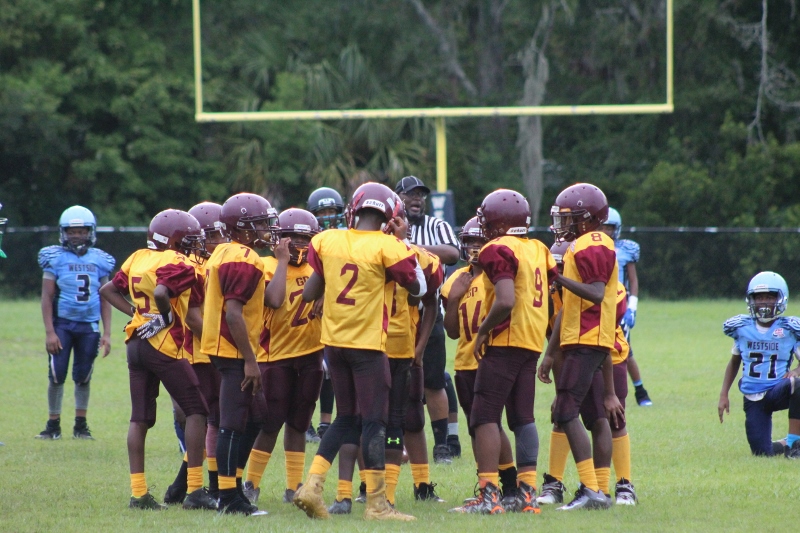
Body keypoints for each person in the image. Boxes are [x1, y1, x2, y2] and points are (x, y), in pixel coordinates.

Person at [292, 182, 422, 522]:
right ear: (390, 216)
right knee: (374, 421)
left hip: (334, 344)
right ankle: (377, 504)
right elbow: (417, 287)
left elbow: (309, 294)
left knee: (346, 417)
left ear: (354, 210)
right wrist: (402, 242)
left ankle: (312, 486)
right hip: (367, 346)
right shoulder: (387, 246)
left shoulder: (328, 240)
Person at [449, 189, 556, 515]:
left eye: (485, 221)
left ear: (497, 223)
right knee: (522, 418)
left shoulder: (498, 248)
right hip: (531, 341)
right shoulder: (538, 248)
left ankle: (489, 496)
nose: (482, 227)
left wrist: (483, 331)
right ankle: (526, 495)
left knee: (484, 417)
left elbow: (506, 299)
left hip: (506, 339)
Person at [99, 209, 214, 511]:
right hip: (163, 345)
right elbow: (162, 291)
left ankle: (139, 494)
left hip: (136, 342)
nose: (193, 246)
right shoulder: (178, 261)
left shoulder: (138, 257)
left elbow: (108, 289)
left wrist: (138, 314)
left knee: (140, 418)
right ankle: (195, 490)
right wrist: (164, 316)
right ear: (175, 240)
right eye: (189, 240)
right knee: (197, 411)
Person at [538, 183, 625, 511]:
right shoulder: (583, 243)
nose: (564, 223)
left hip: (588, 339)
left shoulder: (595, 242)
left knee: (565, 411)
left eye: (569, 217)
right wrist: (550, 354)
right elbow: (567, 308)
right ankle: (597, 488)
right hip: (581, 338)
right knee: (589, 414)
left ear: (587, 217)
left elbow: (596, 293)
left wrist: (557, 278)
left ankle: (591, 490)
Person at [200, 192, 278, 515]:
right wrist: (250, 359)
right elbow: (233, 313)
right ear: (243, 227)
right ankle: (228, 497)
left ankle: (232, 490)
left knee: (257, 416)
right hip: (232, 349)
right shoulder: (243, 257)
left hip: (226, 347)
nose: (266, 229)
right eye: (260, 223)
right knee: (231, 424)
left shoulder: (224, 251)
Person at [241, 208, 325, 504]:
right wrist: (282, 262)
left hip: (311, 354)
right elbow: (274, 300)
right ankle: (251, 483)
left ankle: (293, 487)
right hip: (274, 356)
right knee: (270, 422)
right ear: (279, 239)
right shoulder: (265, 265)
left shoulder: (317, 269)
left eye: (305, 239)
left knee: (299, 423)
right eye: (293, 238)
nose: (300, 245)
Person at [441, 217, 519, 507]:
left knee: (490, 424)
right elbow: (451, 332)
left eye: (479, 241)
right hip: (464, 361)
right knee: (477, 427)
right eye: (470, 241)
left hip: (491, 358)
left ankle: (506, 484)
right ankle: (491, 485)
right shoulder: (455, 280)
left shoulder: (497, 275)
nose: (475, 247)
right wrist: (453, 300)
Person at [163, 202, 227, 505]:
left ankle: (183, 487)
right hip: (198, 352)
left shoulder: (202, 265)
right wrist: (220, 344)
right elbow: (192, 317)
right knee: (211, 419)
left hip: (197, 350)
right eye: (212, 235)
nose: (219, 241)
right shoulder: (194, 268)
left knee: (209, 420)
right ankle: (208, 486)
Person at [395, 175, 461, 464]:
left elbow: (452, 253)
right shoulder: (388, 228)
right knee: (396, 382)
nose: (417, 199)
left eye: (420, 195)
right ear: (398, 198)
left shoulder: (437, 226)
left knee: (434, 381)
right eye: (410, 194)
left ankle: (442, 445)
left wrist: (412, 249)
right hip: (395, 315)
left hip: (428, 313)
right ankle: (396, 442)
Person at [36, 206, 114, 441]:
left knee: (83, 376)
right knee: (56, 374)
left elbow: (106, 297)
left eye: (81, 231)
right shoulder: (55, 258)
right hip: (62, 324)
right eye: (72, 232)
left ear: (90, 232)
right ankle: (53, 425)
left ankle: (81, 425)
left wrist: (107, 333)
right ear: (64, 233)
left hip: (89, 327)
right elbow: (47, 296)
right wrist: (50, 331)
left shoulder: (100, 260)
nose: (77, 236)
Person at [719, 271, 800, 458]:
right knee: (762, 453)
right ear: (751, 300)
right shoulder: (743, 328)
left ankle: (794, 445)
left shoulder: (788, 329)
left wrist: (797, 370)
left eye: (769, 297)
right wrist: (723, 394)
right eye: (759, 297)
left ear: (780, 299)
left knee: (798, 384)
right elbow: (734, 362)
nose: (764, 302)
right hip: (753, 396)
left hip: (778, 390)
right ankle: (786, 443)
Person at [306, 186, 346, 441]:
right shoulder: (306, 236)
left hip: (336, 309)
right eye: (322, 212)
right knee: (311, 367)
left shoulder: (345, 238)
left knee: (330, 368)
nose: (328, 216)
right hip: (307, 308)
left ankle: (325, 422)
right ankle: (305, 421)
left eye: (332, 210)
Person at [601, 207, 652, 406]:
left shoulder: (624, 250)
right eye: (603, 226)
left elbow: (633, 281)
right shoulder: (591, 247)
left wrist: (632, 308)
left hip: (619, 305)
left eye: (610, 227)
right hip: (598, 304)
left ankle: (640, 391)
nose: (606, 231)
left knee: (625, 351)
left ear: (617, 229)